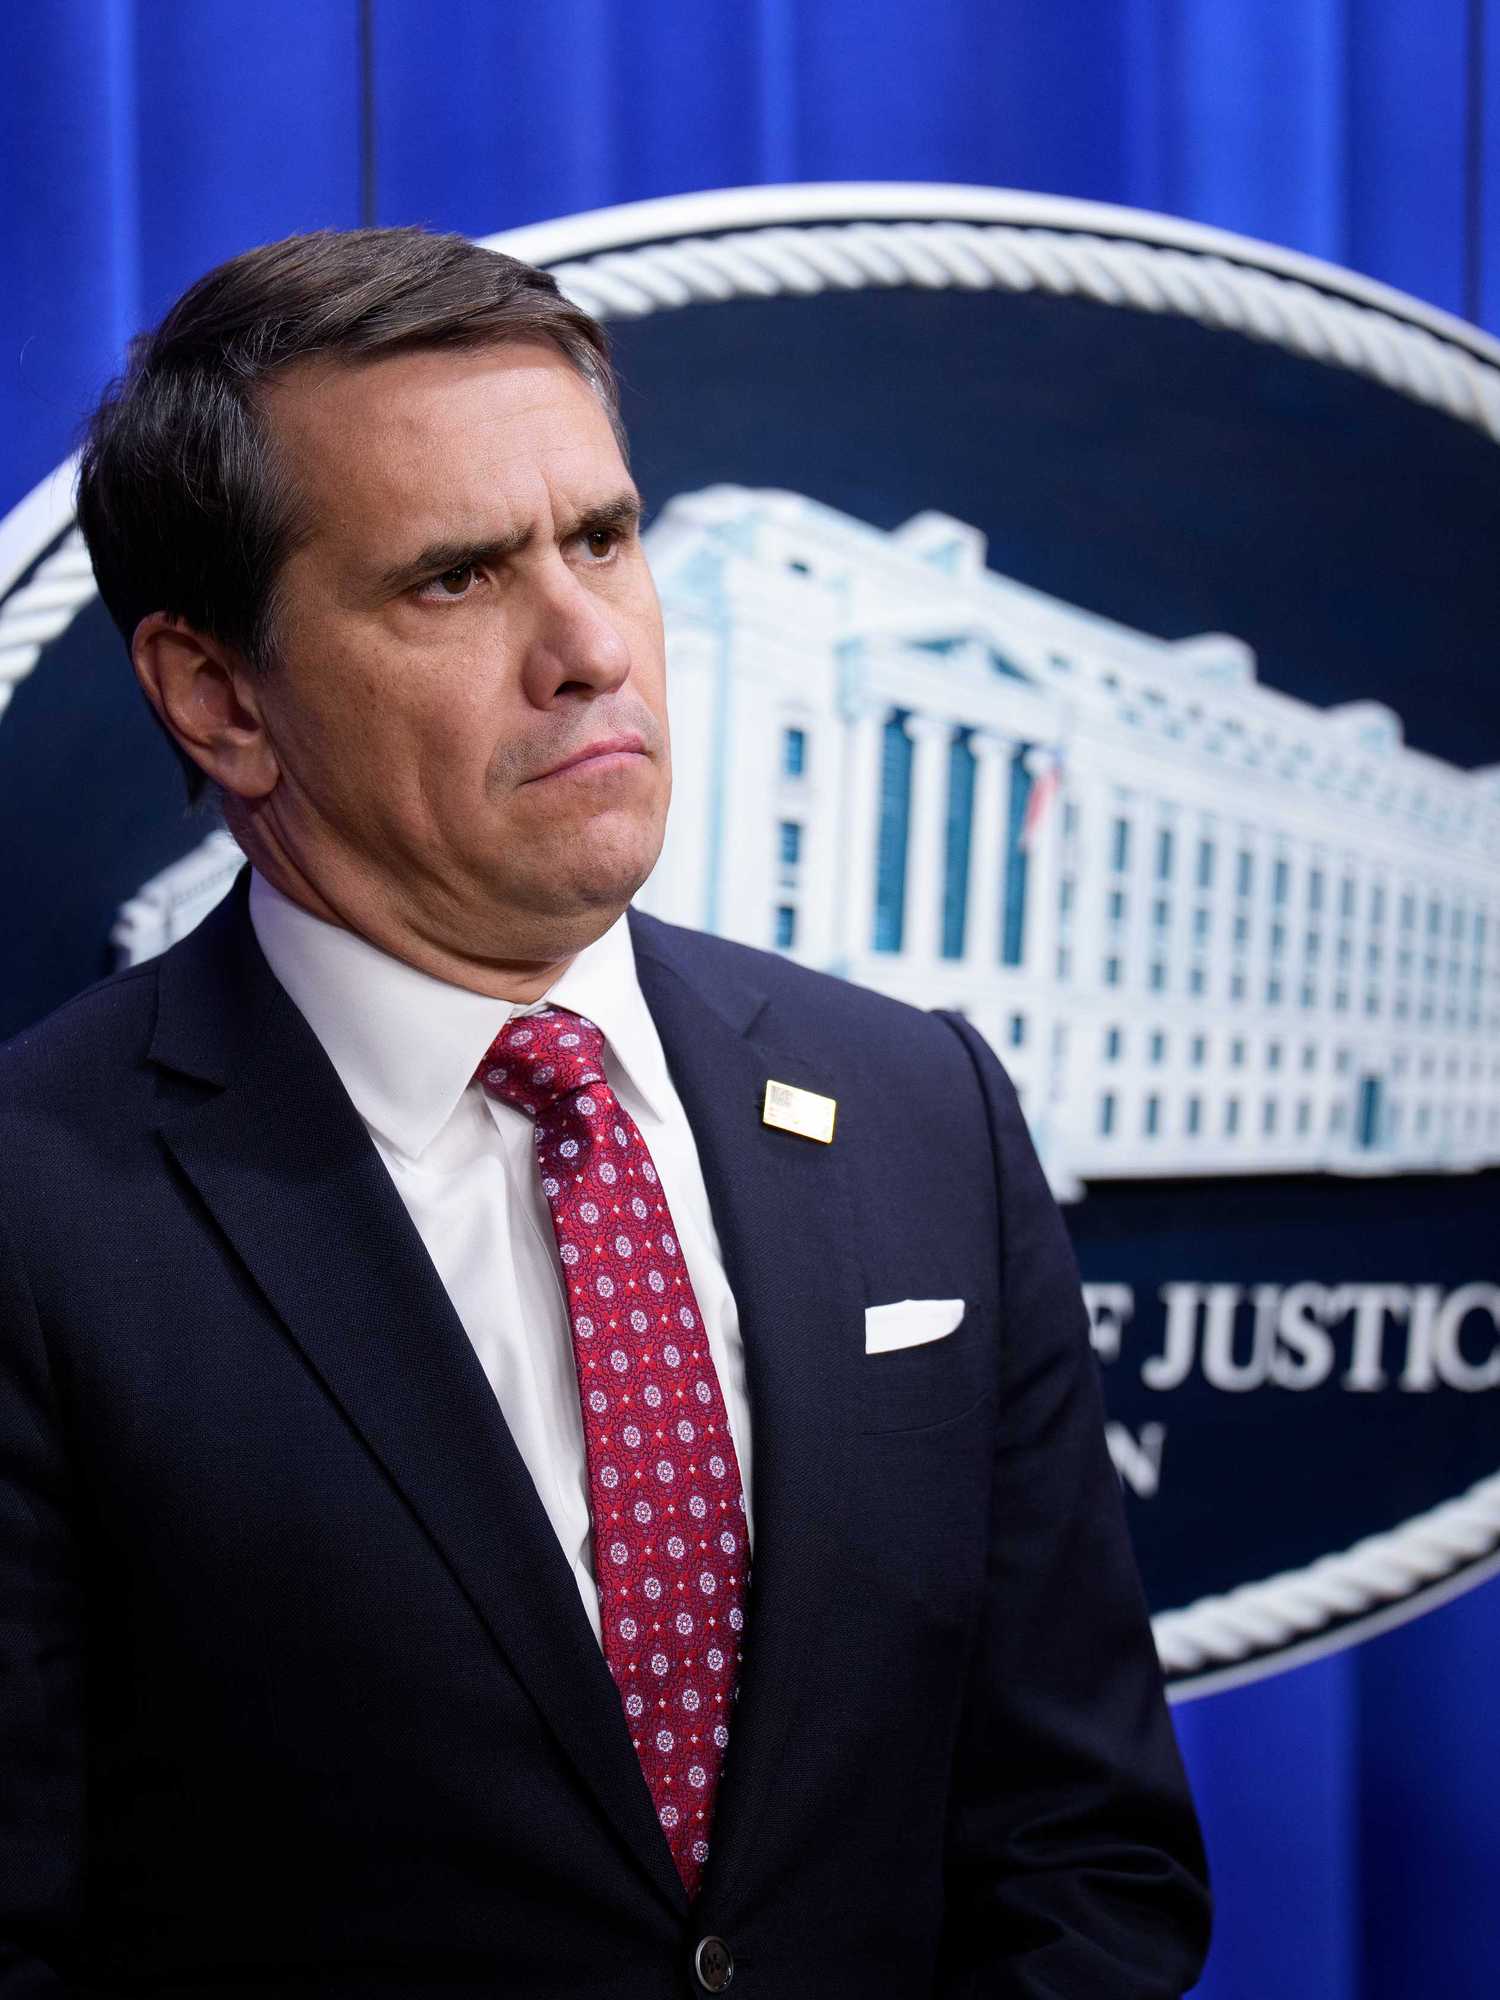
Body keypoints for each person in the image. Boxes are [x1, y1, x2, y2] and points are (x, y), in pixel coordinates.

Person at [0, 227, 1210, 1998]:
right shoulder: (39, 1205)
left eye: (603, 538)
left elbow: (1080, 1850)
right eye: (454, 580)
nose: (587, 647)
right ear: (218, 696)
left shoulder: (918, 1107)